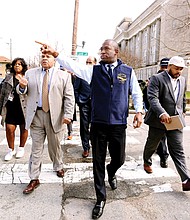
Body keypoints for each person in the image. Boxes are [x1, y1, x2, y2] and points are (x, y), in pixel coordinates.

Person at [40, 39, 143, 219]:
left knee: (119, 158)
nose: (102, 51)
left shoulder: (127, 71)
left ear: (116, 51)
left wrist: (139, 111)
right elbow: (73, 66)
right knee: (98, 161)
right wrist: (56, 53)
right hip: (98, 123)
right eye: (101, 49)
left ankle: (112, 172)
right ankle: (100, 198)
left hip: (118, 123)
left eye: (106, 49)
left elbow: (136, 92)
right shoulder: (93, 71)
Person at [17, 52, 75, 194]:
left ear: (54, 60)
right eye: (42, 56)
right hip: (36, 115)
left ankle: (58, 165)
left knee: (54, 146)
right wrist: (22, 86)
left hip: (55, 116)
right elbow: (21, 91)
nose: (44, 58)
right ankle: (34, 178)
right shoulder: (30, 73)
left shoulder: (64, 76)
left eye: (48, 56)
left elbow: (69, 97)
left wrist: (68, 115)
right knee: (36, 149)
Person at [143, 56, 190, 191]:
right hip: (158, 120)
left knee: (178, 150)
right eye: (176, 68)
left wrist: (184, 112)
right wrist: (162, 113)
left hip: (175, 121)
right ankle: (147, 161)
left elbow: (182, 99)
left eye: (181, 69)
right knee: (152, 144)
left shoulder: (182, 80)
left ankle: (186, 179)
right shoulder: (157, 79)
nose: (179, 71)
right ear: (169, 66)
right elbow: (152, 98)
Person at [0, 58, 28, 161]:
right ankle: (11, 150)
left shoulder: (27, 77)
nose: (17, 66)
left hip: (24, 107)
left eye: (20, 64)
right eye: (15, 64)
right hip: (10, 107)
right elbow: (2, 94)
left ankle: (21, 148)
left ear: (23, 66)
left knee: (24, 128)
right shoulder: (8, 78)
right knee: (9, 129)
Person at [74, 56, 97, 158]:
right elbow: (75, 89)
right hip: (84, 104)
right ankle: (86, 148)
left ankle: (96, 146)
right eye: (87, 62)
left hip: (97, 104)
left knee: (96, 127)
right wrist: (79, 100)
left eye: (90, 62)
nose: (88, 64)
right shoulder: (80, 74)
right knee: (84, 126)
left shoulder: (99, 74)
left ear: (95, 64)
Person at [156, 58, 170, 168]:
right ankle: (163, 157)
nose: (164, 69)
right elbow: (149, 97)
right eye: (163, 67)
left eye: (166, 67)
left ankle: (163, 156)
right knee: (161, 137)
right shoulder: (155, 79)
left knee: (164, 137)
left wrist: (183, 110)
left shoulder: (175, 78)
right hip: (157, 113)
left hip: (171, 114)